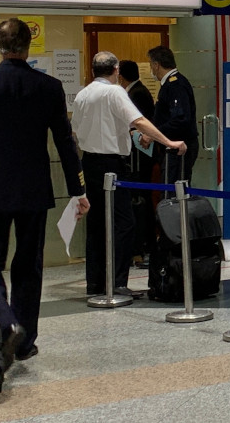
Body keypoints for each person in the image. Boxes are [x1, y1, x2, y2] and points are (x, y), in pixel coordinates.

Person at [0, 18, 90, 367]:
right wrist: (79, 190)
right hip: (34, 191)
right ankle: (24, 341)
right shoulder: (49, 87)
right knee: (29, 266)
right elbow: (65, 142)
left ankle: (4, 324)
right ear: (30, 47)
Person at [73, 51, 187, 296]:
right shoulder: (115, 92)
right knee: (124, 223)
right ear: (115, 70)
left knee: (96, 224)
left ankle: (95, 282)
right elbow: (139, 121)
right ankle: (117, 282)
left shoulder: (82, 94)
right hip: (111, 165)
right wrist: (168, 141)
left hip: (89, 163)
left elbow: (75, 131)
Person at [118, 59, 155, 266]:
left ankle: (142, 245)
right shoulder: (137, 91)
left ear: (121, 77)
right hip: (138, 156)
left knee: (141, 201)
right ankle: (142, 244)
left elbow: (138, 123)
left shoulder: (136, 94)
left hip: (140, 156)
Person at [147, 46, 198, 184]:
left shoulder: (175, 85)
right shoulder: (170, 85)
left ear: (156, 65)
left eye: (151, 64)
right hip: (171, 147)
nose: (151, 69)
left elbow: (180, 119)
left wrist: (154, 134)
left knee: (173, 191)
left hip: (178, 148)